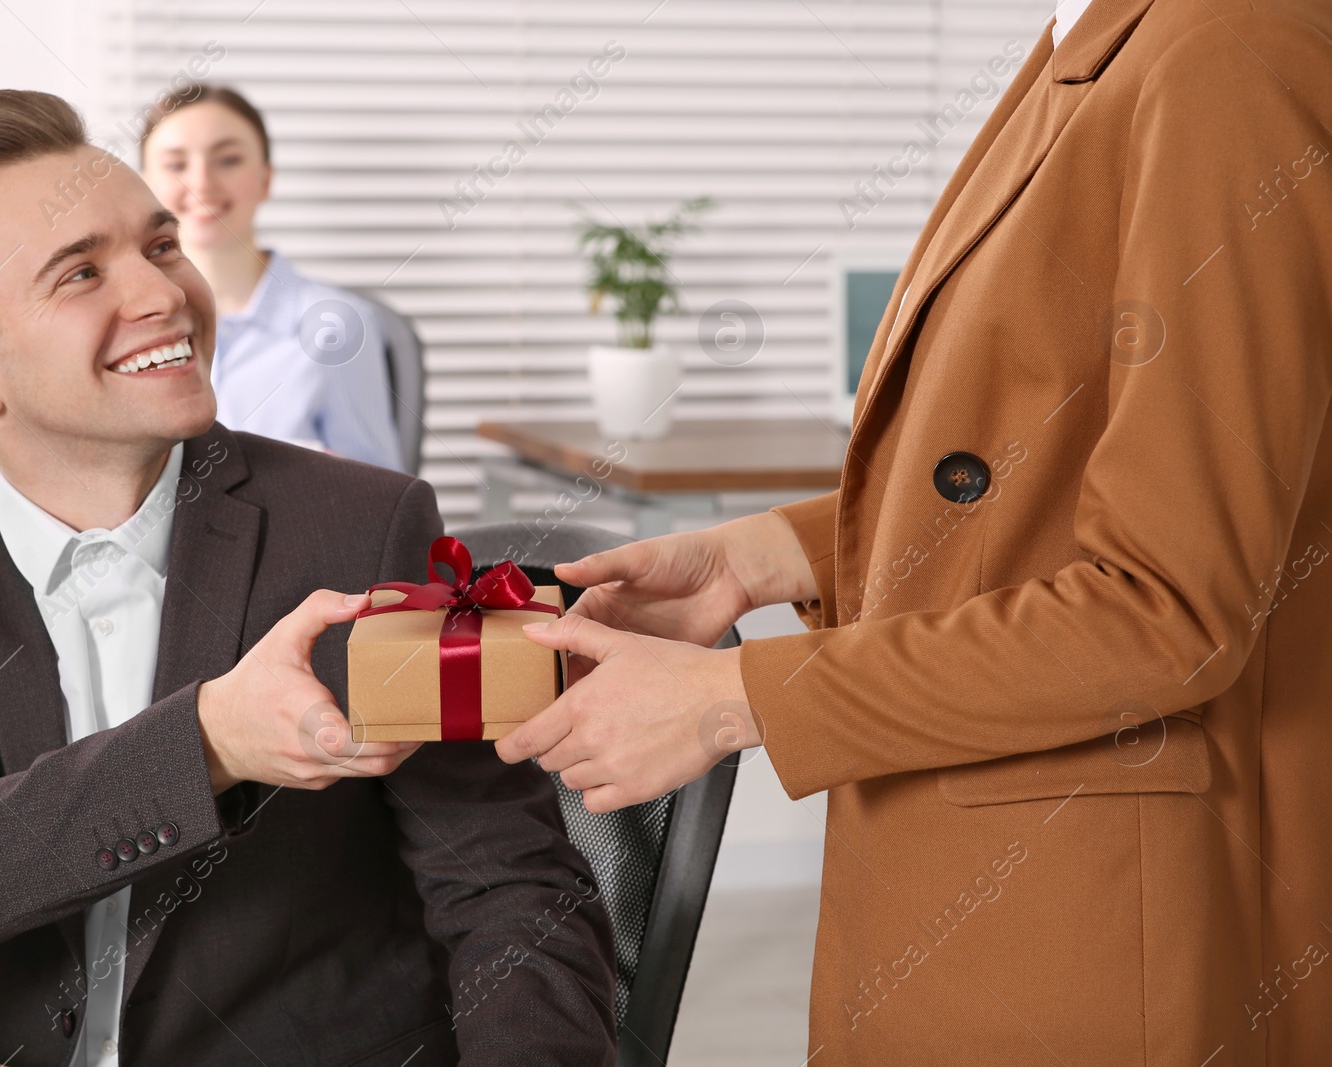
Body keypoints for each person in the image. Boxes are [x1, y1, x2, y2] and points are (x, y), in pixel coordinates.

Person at [498, 0, 1332, 1062]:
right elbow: (1034, 473)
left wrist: (732, 699)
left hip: (1094, 920)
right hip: (982, 871)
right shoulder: (1092, 45)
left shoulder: (1225, 54)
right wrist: (767, 556)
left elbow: (1166, 608)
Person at [0, 89, 616, 1067]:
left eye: (158, 246)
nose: (163, 296)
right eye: (79, 274)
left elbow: (507, 890)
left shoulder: (359, 525)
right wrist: (206, 742)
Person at [139, 84, 405, 471]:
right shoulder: (129, 324)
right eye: (176, 165)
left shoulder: (338, 326)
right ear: (143, 187)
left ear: (265, 179)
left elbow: (384, 496)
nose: (202, 183)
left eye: (228, 160)